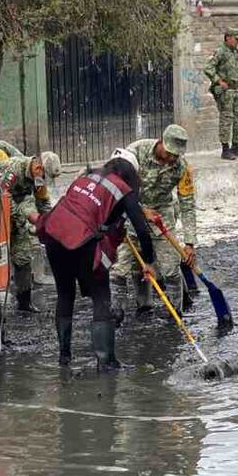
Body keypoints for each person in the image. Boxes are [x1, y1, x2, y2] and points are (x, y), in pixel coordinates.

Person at [37, 148, 156, 368]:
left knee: (65, 294)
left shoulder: (86, 177)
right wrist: (148, 262)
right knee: (101, 296)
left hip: (54, 232)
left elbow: (88, 210)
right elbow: (142, 229)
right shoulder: (123, 189)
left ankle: (64, 358)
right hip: (82, 240)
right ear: (131, 174)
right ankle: (106, 362)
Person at [110, 124, 196, 320]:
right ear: (161, 142)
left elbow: (188, 203)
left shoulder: (182, 167)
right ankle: (122, 313)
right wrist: (140, 210)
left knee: (170, 267)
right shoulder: (136, 153)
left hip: (162, 216)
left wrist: (190, 242)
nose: (173, 158)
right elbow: (118, 188)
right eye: (170, 153)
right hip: (131, 210)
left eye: (177, 155)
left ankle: (175, 314)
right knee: (121, 267)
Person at [0, 152, 60, 312]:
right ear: (38, 167)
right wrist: (23, 220)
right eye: (44, 175)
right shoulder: (12, 169)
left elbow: (42, 201)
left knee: (23, 256)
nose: (44, 181)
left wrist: (49, 222)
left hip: (16, 216)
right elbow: (1, 195)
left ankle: (24, 303)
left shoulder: (38, 176)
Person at [203, 28, 238, 160]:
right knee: (226, 118)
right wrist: (218, 81)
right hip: (226, 91)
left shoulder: (235, 52)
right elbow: (208, 67)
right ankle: (225, 149)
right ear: (228, 38)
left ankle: (236, 146)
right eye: (236, 39)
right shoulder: (220, 52)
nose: (237, 41)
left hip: (237, 89)